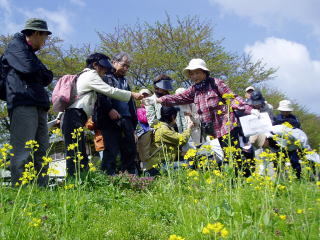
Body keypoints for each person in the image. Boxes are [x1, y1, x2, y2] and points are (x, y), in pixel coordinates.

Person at [62, 52, 143, 176]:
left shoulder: (86, 75)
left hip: (78, 115)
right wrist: (130, 95)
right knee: (78, 151)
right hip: (82, 116)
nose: (105, 70)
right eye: (103, 66)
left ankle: (128, 177)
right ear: (95, 65)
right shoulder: (92, 75)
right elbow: (108, 92)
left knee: (79, 150)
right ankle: (86, 180)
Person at [2, 18, 53, 186]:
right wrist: (41, 72)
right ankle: (21, 191)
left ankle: (41, 190)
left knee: (42, 151)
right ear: (36, 33)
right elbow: (29, 69)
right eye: (44, 37)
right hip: (23, 102)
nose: (45, 42)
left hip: (38, 103)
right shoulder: (16, 46)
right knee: (22, 151)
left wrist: (41, 72)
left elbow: (48, 77)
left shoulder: (30, 54)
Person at [93, 52, 139, 175]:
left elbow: (131, 103)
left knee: (130, 150)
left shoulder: (125, 82)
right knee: (111, 150)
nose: (126, 69)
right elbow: (100, 95)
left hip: (127, 120)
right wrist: (109, 109)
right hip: (109, 120)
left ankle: (130, 178)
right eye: (124, 65)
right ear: (114, 62)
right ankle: (108, 178)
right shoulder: (105, 77)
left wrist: (134, 123)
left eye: (128, 66)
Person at [142, 106, 194, 174]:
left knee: (189, 159)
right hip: (157, 167)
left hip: (156, 164)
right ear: (173, 117)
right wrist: (189, 128)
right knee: (190, 165)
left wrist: (181, 153)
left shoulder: (159, 125)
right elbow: (182, 140)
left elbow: (169, 148)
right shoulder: (164, 130)